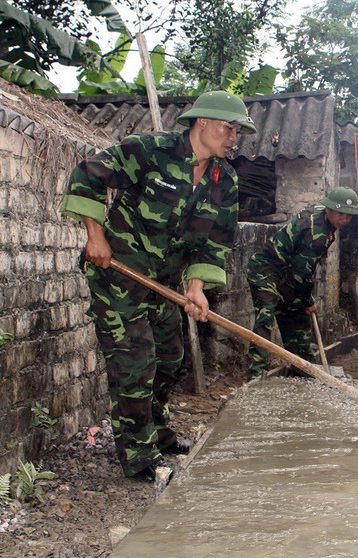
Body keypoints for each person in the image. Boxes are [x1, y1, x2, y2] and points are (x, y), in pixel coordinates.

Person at [60, 90, 255, 481]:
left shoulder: (224, 182)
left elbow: (214, 242)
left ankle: (157, 431)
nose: (234, 137)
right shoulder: (151, 151)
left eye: (238, 131)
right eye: (229, 128)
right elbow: (88, 173)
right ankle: (137, 455)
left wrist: (196, 287)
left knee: (170, 358)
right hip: (119, 274)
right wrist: (95, 236)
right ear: (202, 122)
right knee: (136, 361)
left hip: (164, 283)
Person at [246, 187, 358, 379]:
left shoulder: (325, 221)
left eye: (349, 216)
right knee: (266, 315)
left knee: (296, 316)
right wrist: (308, 301)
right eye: (341, 215)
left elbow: (299, 273)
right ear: (329, 210)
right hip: (266, 269)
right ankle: (256, 374)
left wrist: (303, 302)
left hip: (287, 271)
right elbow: (302, 274)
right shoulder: (317, 235)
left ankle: (304, 366)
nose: (345, 220)